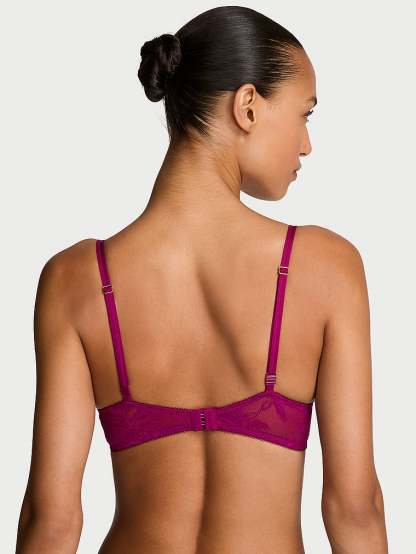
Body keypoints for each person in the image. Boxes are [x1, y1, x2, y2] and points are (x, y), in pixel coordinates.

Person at [16, 6, 388, 553]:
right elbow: (355, 508)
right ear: (248, 105)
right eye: (305, 114)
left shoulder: (74, 279)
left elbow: (50, 521)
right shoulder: (327, 268)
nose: (307, 144)